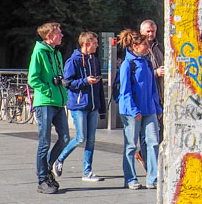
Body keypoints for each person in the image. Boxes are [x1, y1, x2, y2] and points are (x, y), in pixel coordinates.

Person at [51, 32, 105, 183]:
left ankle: (87, 171)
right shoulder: (73, 61)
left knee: (91, 140)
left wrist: (101, 108)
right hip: (79, 105)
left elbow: (99, 86)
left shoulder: (94, 60)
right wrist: (85, 81)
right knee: (81, 137)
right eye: (95, 42)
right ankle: (59, 160)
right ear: (86, 44)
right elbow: (67, 82)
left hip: (93, 105)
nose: (97, 45)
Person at [27, 22, 68, 194]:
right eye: (58, 33)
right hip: (45, 102)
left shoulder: (56, 53)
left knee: (65, 138)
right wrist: (50, 88)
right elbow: (33, 78)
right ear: (49, 36)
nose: (62, 35)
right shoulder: (39, 52)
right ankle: (42, 179)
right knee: (44, 142)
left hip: (58, 102)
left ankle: (47, 168)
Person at [117, 29, 161, 190]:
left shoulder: (147, 62)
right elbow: (125, 91)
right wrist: (134, 110)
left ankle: (153, 177)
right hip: (131, 112)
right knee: (130, 145)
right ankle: (130, 178)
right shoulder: (128, 64)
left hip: (149, 110)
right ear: (135, 46)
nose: (147, 46)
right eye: (144, 44)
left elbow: (152, 88)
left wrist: (157, 107)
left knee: (153, 142)